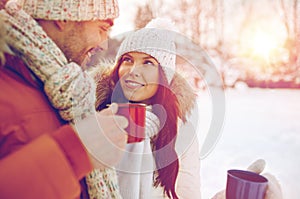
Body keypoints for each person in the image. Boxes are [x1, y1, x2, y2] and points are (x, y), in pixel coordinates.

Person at [0, 0, 128, 198]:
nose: (104, 44)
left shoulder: (65, 90)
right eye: (102, 28)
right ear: (63, 17)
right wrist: (75, 151)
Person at [94, 18, 201, 199]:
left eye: (148, 62)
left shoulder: (180, 131)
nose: (133, 70)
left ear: (164, 77)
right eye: (127, 60)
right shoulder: (92, 115)